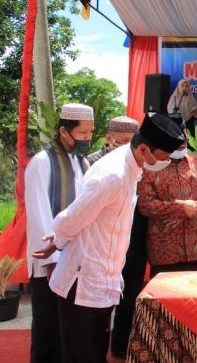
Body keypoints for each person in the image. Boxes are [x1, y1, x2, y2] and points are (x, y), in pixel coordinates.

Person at [32, 112, 185, 363]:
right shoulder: (113, 175)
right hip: (83, 282)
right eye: (161, 157)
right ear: (144, 148)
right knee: (83, 355)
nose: (163, 163)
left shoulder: (131, 165)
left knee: (94, 352)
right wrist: (57, 241)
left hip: (104, 279)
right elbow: (73, 216)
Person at [25, 103, 94, 363]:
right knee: (48, 330)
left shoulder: (81, 161)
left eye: (90, 133)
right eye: (84, 133)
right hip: (51, 264)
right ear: (65, 132)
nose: (88, 139)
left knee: (71, 331)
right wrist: (51, 263)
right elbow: (40, 216)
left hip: (76, 260)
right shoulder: (42, 163)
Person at [86, 115, 142, 360]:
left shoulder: (138, 164)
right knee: (98, 304)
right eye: (121, 141)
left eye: (131, 141)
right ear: (108, 138)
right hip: (100, 243)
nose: (125, 146)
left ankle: (120, 348)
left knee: (128, 297)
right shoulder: (91, 164)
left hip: (131, 241)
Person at [138, 123, 197, 277]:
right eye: (177, 147)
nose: (181, 149)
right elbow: (145, 205)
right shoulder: (151, 166)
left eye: (184, 145)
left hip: (195, 247)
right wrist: (179, 208)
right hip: (165, 249)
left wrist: (191, 208)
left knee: (193, 296)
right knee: (163, 298)